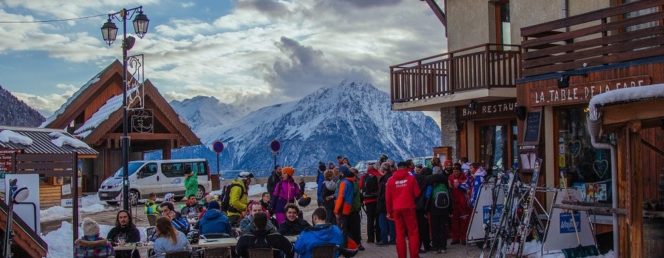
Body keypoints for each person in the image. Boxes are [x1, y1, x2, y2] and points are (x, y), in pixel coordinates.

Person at [386, 161, 421, 258]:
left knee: (400, 235)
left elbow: (388, 198)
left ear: (397, 168)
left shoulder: (391, 180)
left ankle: (401, 256)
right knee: (413, 233)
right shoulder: (411, 178)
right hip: (409, 208)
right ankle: (414, 255)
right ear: (406, 167)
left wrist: (389, 212)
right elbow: (417, 193)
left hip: (396, 209)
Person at [427, 171, 451, 253]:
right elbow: (450, 198)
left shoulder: (432, 185)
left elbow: (427, 197)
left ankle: (435, 248)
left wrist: (426, 210)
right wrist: (450, 210)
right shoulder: (446, 186)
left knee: (435, 229)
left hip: (434, 210)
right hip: (445, 210)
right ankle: (443, 247)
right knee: (443, 228)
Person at [449, 166, 471, 245]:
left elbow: (467, 188)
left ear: (460, 171)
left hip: (463, 203)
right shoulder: (450, 177)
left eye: (457, 171)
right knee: (455, 221)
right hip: (454, 202)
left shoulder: (465, 177)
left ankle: (463, 238)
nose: (456, 173)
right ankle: (455, 238)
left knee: (464, 221)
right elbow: (450, 188)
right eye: (454, 171)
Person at [360, 163, 381, 244]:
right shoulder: (378, 175)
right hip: (376, 200)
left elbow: (361, 186)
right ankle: (379, 238)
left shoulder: (364, 176)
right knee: (378, 219)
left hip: (368, 200)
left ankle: (370, 239)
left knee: (370, 220)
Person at [414, 164, 432, 253]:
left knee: (417, 228)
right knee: (424, 228)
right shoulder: (427, 181)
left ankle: (417, 247)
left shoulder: (415, 179)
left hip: (414, 206)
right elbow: (428, 194)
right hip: (423, 206)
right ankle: (426, 246)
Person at [376, 162, 395, 245]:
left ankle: (384, 239)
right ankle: (393, 239)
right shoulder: (392, 177)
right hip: (392, 203)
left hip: (383, 203)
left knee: (382, 222)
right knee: (391, 222)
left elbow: (381, 193)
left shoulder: (383, 179)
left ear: (383, 170)